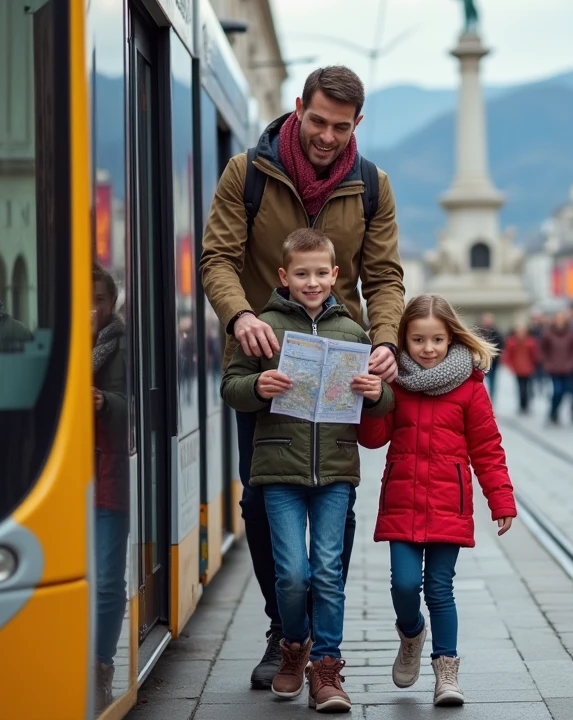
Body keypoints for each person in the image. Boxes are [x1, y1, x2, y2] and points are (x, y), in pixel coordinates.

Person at [199, 66, 405, 687]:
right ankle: (283, 629)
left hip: (340, 360)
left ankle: (320, 642)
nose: (326, 136)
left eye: (341, 127)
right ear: (298, 108)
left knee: (334, 503)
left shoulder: (372, 185)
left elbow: (385, 276)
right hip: (266, 360)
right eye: (317, 121)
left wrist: (386, 341)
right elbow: (218, 257)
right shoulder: (247, 172)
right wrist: (239, 317)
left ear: (356, 125)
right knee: (261, 498)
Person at [220, 229, 393, 711]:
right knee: (293, 574)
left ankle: (327, 669)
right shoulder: (263, 327)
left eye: (321, 273)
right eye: (302, 274)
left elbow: (382, 406)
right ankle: (294, 647)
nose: (312, 282)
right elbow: (230, 387)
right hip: (278, 470)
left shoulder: (353, 331)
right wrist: (259, 385)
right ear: (284, 277)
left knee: (328, 573)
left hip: (336, 472)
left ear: (335, 275)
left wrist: (377, 394)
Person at [359, 294, 517, 707]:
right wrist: (374, 400)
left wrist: (501, 499)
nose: (428, 349)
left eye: (437, 340)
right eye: (418, 340)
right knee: (405, 584)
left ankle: (446, 671)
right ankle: (411, 632)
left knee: (440, 588)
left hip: (450, 502)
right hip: (403, 500)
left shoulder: (470, 389)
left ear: (451, 340)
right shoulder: (395, 384)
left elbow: (487, 449)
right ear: (403, 341)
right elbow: (372, 439)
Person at [91, 264, 129, 711]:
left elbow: (145, 407)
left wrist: (106, 403)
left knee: (105, 580)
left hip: (110, 478)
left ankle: (102, 665)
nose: (91, 309)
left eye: (98, 299)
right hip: (62, 481)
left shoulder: (124, 347)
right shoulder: (55, 343)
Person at [539, 311, 573, 426]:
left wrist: (572, 363)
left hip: (567, 368)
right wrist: (547, 363)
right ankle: (553, 412)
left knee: (565, 392)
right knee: (557, 391)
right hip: (553, 368)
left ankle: (555, 411)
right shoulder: (548, 333)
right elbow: (543, 350)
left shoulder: (570, 333)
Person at [503, 324, 539, 414]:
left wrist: (534, 364)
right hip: (518, 368)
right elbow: (508, 355)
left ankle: (525, 405)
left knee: (526, 387)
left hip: (528, 367)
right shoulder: (512, 342)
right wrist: (511, 366)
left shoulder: (530, 341)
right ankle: (522, 405)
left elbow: (534, 355)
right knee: (521, 388)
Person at [476, 313, 504, 397]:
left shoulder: (497, 333)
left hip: (494, 362)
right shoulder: (479, 332)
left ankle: (491, 396)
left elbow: (501, 346)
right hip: (481, 361)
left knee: (493, 380)